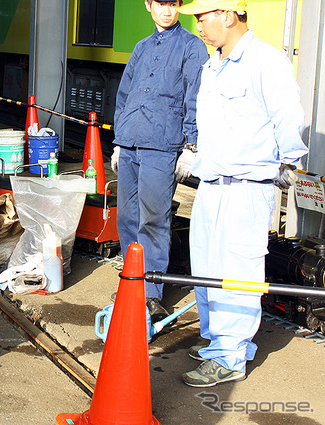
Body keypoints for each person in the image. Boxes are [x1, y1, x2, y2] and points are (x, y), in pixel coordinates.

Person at [177, 0, 308, 387]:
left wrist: (288, 163)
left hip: (247, 188)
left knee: (237, 272)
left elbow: (288, 115)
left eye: (203, 17)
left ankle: (230, 357)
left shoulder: (267, 62)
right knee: (206, 270)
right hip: (213, 184)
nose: (199, 26)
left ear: (229, 15)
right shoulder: (212, 65)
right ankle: (220, 343)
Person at [110, 0, 208, 322]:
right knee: (126, 218)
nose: (167, 11)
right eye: (161, 4)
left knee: (153, 220)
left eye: (173, 4)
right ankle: (131, 283)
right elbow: (125, 95)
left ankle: (150, 295)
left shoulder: (192, 48)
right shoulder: (141, 48)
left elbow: (196, 96)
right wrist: (119, 142)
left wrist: (191, 146)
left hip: (162, 147)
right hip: (131, 142)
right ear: (148, 6)